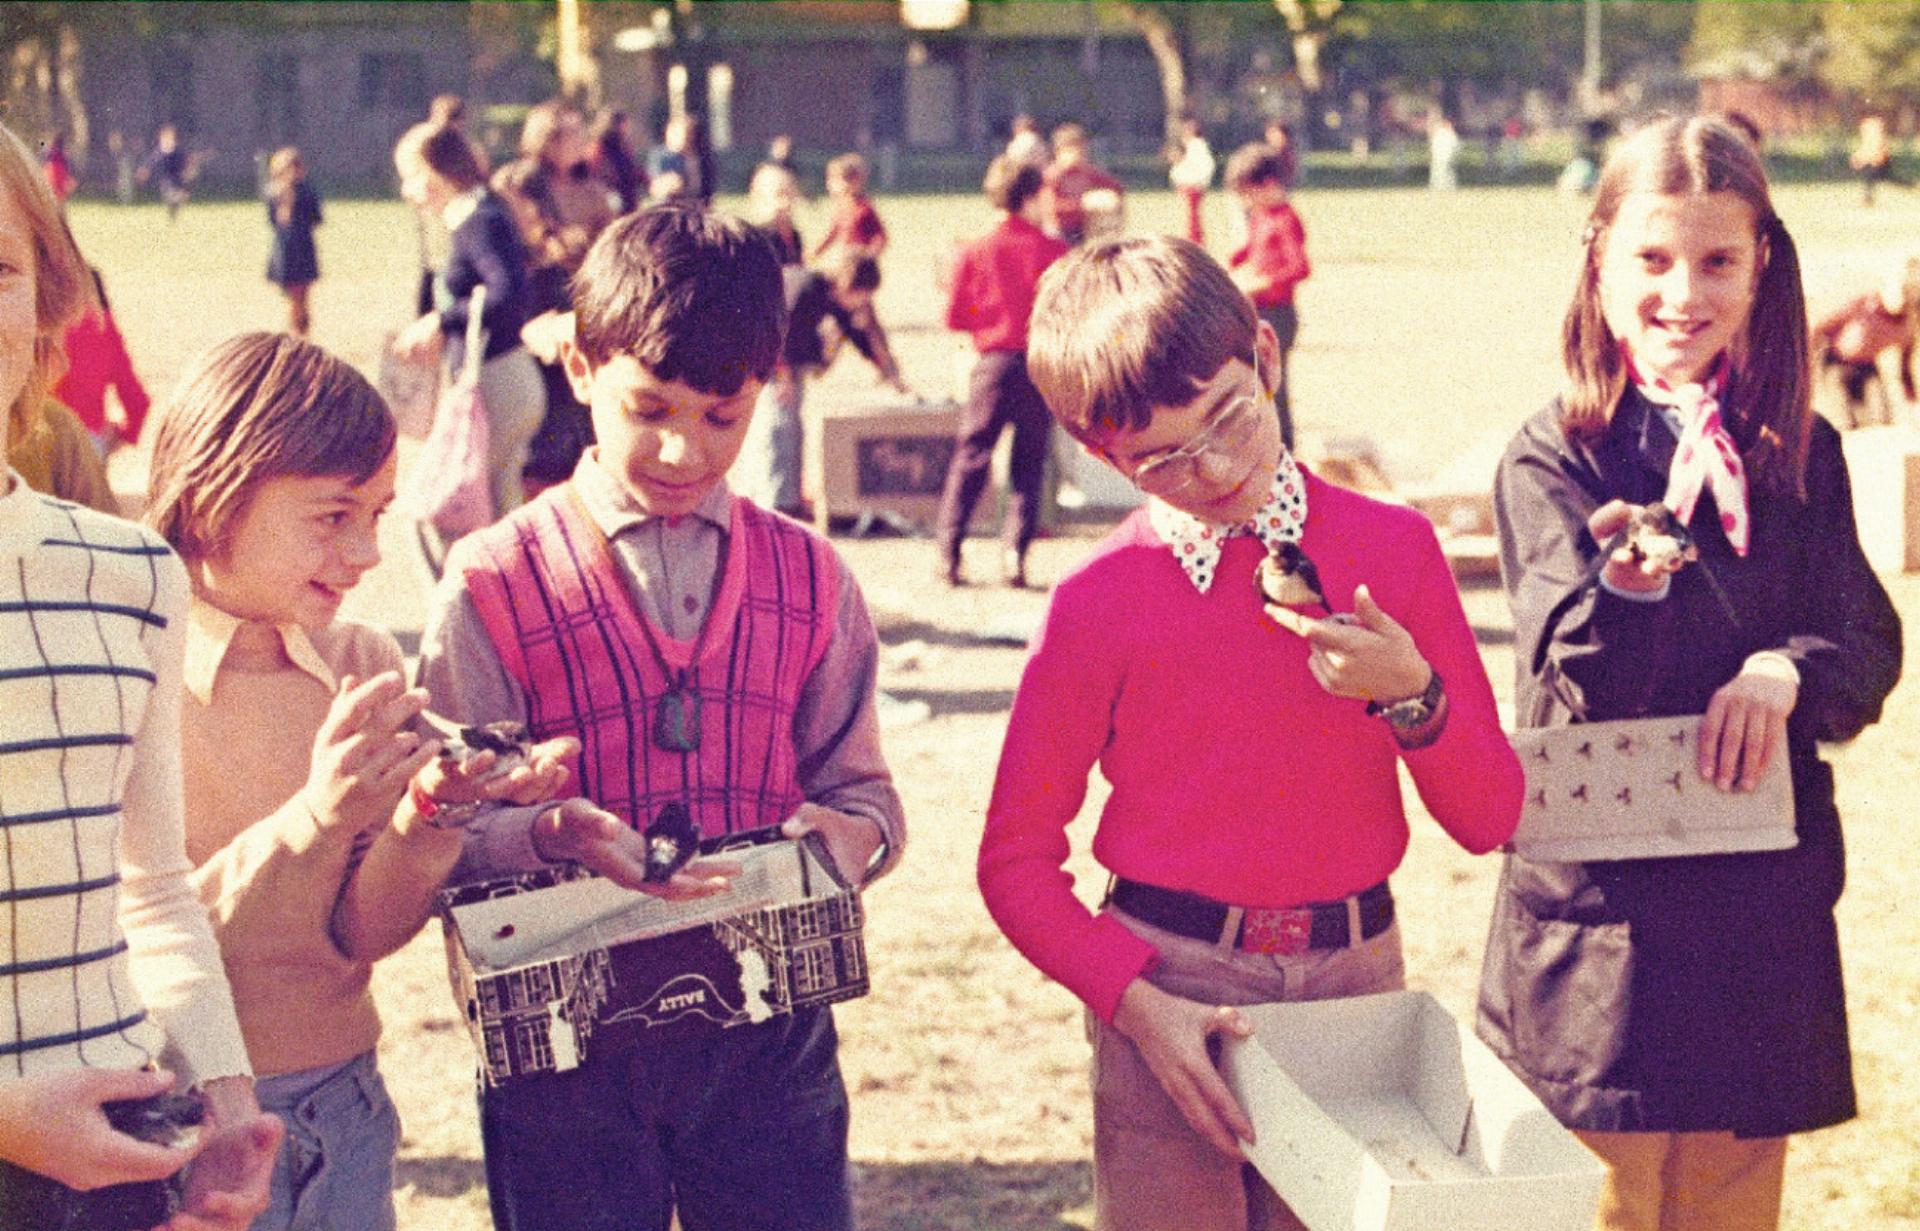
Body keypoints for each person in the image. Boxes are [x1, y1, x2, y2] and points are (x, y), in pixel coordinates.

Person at [979, 234, 1521, 1231]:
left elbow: (1490, 816)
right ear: (1101, 455)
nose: (1217, 467)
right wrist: (1139, 1008)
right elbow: (1014, 862)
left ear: (1268, 360)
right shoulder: (1097, 599)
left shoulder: (1392, 547)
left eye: (1230, 417)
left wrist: (1415, 695)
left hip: (1356, 979)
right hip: (1169, 986)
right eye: (1161, 459)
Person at [416, 203, 906, 1231]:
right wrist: (545, 831)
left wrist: (849, 836)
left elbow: (861, 790)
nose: (683, 449)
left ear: (762, 392)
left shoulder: (811, 576)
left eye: (721, 417)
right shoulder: (491, 584)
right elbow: (442, 838)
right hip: (561, 1049)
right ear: (581, 366)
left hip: (771, 1035)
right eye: (651, 407)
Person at [1479, 115, 1903, 1231]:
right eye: (1653, 260)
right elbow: (1583, 669)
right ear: (1600, 259)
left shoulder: (1793, 448)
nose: (1683, 293)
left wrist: (1784, 669)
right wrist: (1630, 581)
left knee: (1726, 1207)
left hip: (1754, 901)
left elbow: (1865, 641)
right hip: (1605, 919)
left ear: (1764, 263)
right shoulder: (1554, 454)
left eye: (1719, 261)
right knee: (1602, 1203)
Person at [142, 331, 575, 1231]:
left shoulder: (361, 661)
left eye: (378, 515)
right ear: (217, 494)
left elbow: (361, 932)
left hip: (344, 1102)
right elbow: (153, 934)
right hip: (178, 1123)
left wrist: (428, 821)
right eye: (333, 516)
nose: (369, 551)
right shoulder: (129, 669)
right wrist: (316, 815)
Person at [0, 114, 280, 1231]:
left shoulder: (128, 574)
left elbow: (151, 887)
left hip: (120, 1172)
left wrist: (223, 1104)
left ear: (44, 300)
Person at [393, 121, 545, 521]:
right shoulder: (471, 216)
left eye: (410, 176)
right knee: (498, 509)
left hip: (499, 381)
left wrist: (444, 321)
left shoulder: (479, 220)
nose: (406, 190)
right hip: (504, 381)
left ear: (435, 173)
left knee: (444, 510)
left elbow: (509, 293)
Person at [935, 157, 1069, 589]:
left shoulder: (977, 249)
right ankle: (1015, 555)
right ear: (1031, 197)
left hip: (992, 364)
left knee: (972, 457)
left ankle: (950, 552)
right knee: (1029, 463)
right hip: (1038, 365)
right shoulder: (1054, 251)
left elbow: (955, 316)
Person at [492, 99, 617, 494]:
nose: (583, 140)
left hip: (578, 306)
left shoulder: (594, 191)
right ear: (548, 138)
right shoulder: (517, 181)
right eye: (572, 133)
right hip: (533, 312)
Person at [734, 252, 912, 518]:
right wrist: (783, 377)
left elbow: (856, 333)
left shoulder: (832, 295)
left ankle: (789, 498)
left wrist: (885, 369)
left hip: (787, 360)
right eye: (861, 295)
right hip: (765, 354)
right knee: (778, 426)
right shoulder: (805, 288)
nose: (862, 303)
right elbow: (778, 332)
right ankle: (775, 502)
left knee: (792, 427)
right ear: (847, 284)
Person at [1225, 142, 1310, 451]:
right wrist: (1234, 261)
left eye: (1249, 193)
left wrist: (1263, 283)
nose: (1246, 201)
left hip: (1279, 313)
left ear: (1270, 184)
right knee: (1252, 383)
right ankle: (1261, 446)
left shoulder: (1286, 218)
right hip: (1257, 311)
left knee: (1274, 387)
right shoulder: (1260, 215)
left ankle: (1284, 449)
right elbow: (1252, 249)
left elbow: (1300, 267)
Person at [1811, 256, 1920, 429]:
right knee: (1843, 423)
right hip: (1835, 365)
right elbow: (1819, 328)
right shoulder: (1864, 304)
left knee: (1881, 420)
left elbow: (1905, 369)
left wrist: (1913, 403)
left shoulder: (1909, 324)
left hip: (1867, 368)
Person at [54, 266, 151, 453]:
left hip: (34, 443)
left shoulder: (38, 324)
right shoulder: (105, 327)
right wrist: (122, 435)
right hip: (89, 443)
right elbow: (138, 402)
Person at [263, 146, 323, 337]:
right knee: (302, 297)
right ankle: (301, 332)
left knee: (293, 297)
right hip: (303, 247)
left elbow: (272, 221)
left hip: (285, 248)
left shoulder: (273, 192)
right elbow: (317, 219)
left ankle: (297, 331)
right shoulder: (307, 191)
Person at [1042, 123, 1125, 246]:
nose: (1078, 157)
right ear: (1059, 152)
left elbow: (1117, 187)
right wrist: (1082, 204)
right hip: (1059, 231)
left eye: (1082, 152)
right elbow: (1051, 210)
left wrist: (1108, 200)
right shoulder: (1052, 176)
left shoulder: (1087, 172)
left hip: (1082, 229)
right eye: (1072, 151)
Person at [810, 152, 888, 265]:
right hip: (845, 259)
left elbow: (880, 237)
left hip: (860, 262)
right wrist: (814, 253)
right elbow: (832, 234)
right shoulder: (841, 208)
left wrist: (869, 256)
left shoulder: (864, 209)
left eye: (839, 180)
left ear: (856, 181)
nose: (831, 186)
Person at [1168, 116, 1217, 247]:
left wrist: (1187, 178)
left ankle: (1193, 241)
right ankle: (1193, 240)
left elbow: (1201, 168)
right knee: (1191, 217)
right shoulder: (1194, 147)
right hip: (1191, 186)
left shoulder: (1196, 146)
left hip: (1193, 186)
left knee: (1192, 218)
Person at [747, 159, 806, 267]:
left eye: (791, 194)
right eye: (779, 195)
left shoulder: (794, 236)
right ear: (758, 198)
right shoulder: (757, 241)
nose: (786, 203)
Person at [588, 109, 644, 214]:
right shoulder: (598, 146)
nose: (627, 128)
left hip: (628, 196)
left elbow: (633, 168)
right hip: (611, 196)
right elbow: (594, 172)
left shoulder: (623, 145)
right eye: (624, 123)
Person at [138, 123, 196, 220]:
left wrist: (189, 169)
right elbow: (151, 162)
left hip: (179, 178)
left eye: (171, 138)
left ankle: (174, 210)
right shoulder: (160, 152)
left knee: (176, 199)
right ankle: (175, 202)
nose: (168, 141)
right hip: (166, 180)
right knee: (172, 195)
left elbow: (187, 161)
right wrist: (145, 170)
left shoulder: (179, 151)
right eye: (165, 139)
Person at [1849, 114, 1903, 206]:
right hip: (1874, 157)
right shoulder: (1867, 125)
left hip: (1880, 157)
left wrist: (1879, 156)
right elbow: (1867, 144)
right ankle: (1868, 199)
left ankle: (1868, 199)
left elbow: (1879, 142)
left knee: (1873, 176)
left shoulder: (1873, 125)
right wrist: (1858, 156)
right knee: (1882, 177)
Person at [1428, 111, 1460, 191]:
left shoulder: (1450, 133)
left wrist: (1453, 154)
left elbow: (1455, 145)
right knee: (1437, 170)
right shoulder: (1439, 132)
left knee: (1446, 170)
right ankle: (1437, 185)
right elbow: (1434, 144)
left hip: (1446, 155)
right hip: (1438, 155)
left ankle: (1448, 185)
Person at [40, 132, 75, 203]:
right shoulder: (62, 153)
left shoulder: (51, 151)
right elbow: (67, 164)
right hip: (60, 171)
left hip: (52, 170)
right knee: (59, 193)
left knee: (52, 191)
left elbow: (45, 156)